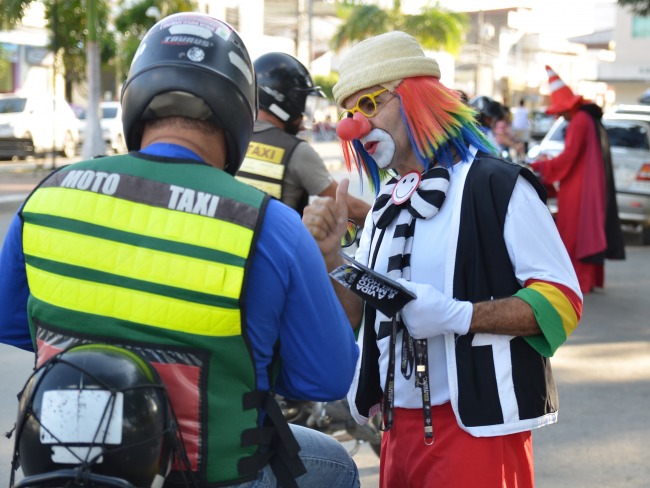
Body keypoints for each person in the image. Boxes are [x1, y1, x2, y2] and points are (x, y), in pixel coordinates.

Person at [0, 13, 360, 488]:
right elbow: (328, 379)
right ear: (236, 114)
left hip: (61, 466)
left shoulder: (49, 195)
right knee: (335, 465)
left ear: (136, 99)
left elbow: (14, 324)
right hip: (212, 474)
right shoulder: (269, 225)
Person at [302, 31, 583, 487]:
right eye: (348, 113)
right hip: (395, 429)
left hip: (477, 431)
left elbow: (562, 302)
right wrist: (332, 253)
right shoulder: (382, 206)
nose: (353, 127)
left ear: (416, 99)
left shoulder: (498, 187)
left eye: (370, 105)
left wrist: (460, 315)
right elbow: (357, 316)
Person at [236, 52, 370, 222]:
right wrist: (387, 218)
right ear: (285, 102)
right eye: (302, 103)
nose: (304, 117)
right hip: (278, 245)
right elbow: (347, 207)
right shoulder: (296, 151)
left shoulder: (235, 139)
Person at [530, 66, 625, 293]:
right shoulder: (588, 119)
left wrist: (541, 166)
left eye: (561, 112)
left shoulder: (580, 121)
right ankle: (587, 280)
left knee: (574, 234)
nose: (560, 116)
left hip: (579, 187)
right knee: (584, 232)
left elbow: (570, 156)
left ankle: (579, 281)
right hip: (586, 183)